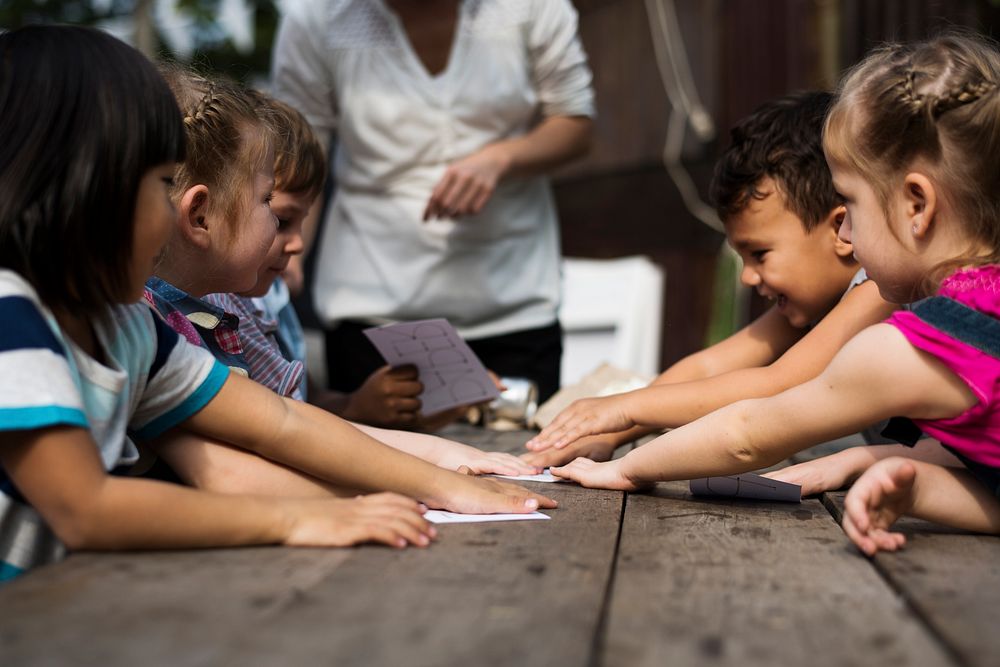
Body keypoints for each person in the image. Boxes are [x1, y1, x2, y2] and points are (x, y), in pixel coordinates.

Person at [0, 26, 438, 580]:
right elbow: (85, 510)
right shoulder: (9, 314)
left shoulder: (128, 325)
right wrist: (292, 521)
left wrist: (454, 486)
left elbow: (279, 419)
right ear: (88, 188)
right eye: (161, 183)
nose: (173, 212)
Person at [549, 33, 1000, 557]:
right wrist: (886, 471)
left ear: (916, 205)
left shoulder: (914, 347)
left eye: (851, 202)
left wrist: (625, 468)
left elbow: (750, 431)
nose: (848, 235)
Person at [145, 66, 543, 492]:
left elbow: (288, 419)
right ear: (200, 215)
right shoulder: (155, 328)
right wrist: (426, 486)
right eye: (271, 207)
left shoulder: (195, 316)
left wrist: (438, 459)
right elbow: (236, 465)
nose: (297, 243)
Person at [524, 91, 897, 467]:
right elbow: (709, 367)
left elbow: (778, 383)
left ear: (839, 230)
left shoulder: (883, 288)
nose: (749, 277)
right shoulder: (814, 304)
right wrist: (608, 434)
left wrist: (627, 407)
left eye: (760, 254)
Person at [270, 0, 596, 405]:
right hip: (372, 304)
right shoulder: (315, 19)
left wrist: (502, 158)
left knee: (523, 462)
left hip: (514, 301)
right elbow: (303, 148)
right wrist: (287, 242)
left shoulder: (533, 7)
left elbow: (577, 122)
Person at [210, 91, 460, 431]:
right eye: (282, 221)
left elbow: (303, 400)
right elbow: (281, 427)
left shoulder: (272, 303)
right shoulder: (200, 314)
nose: (298, 244)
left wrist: (358, 405)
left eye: (303, 222)